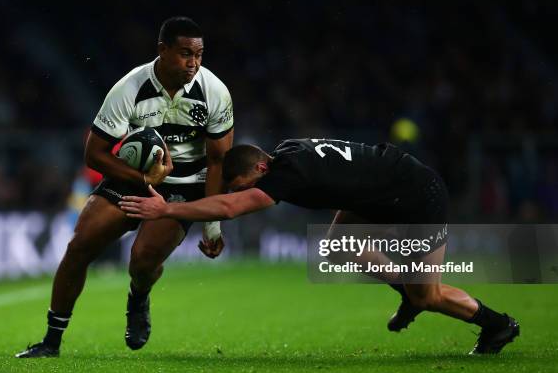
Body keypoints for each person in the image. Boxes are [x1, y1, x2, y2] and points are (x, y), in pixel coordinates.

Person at [119, 138, 520, 354]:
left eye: (248, 185)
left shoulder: (282, 177)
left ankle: (497, 325)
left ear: (261, 168)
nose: (249, 193)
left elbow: (228, 207)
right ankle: (408, 293)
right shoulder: (287, 151)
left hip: (417, 193)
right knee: (337, 247)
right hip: (381, 187)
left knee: (428, 293)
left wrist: (166, 210)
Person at [16, 17, 234, 358]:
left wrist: (212, 226)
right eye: (184, 53)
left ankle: (138, 296)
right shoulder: (130, 88)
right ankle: (51, 342)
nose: (194, 63)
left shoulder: (215, 93)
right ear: (162, 51)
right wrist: (145, 180)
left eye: (199, 54)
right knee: (80, 246)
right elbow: (95, 154)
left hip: (186, 186)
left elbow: (218, 162)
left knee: (142, 260)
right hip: (133, 178)